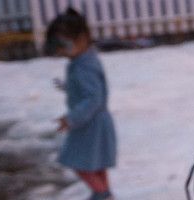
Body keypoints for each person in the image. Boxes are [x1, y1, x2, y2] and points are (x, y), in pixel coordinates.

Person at [46, 9, 117, 200]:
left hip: (89, 124)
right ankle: (104, 193)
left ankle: (102, 194)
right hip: (96, 122)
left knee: (79, 164)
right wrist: (69, 87)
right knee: (96, 164)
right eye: (56, 45)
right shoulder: (83, 60)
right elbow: (88, 90)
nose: (60, 50)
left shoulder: (84, 66)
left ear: (83, 38)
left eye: (64, 44)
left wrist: (71, 118)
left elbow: (94, 98)